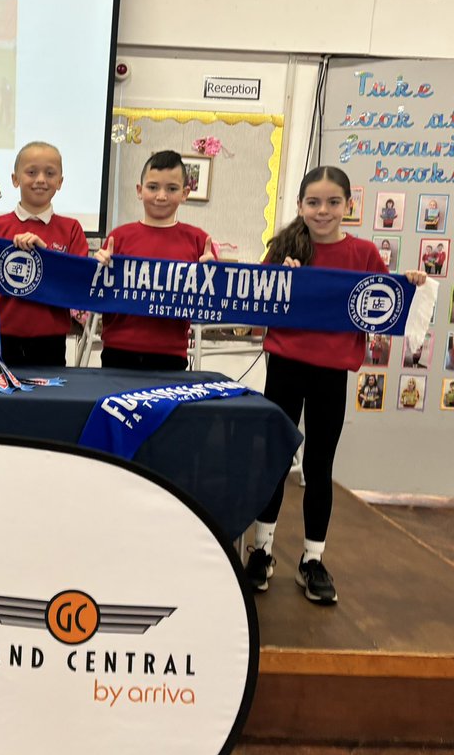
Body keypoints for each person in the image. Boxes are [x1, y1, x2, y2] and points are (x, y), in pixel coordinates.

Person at [243, 165, 427, 605]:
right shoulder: (284, 246)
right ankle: (262, 551)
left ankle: (312, 559)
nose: (322, 211)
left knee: (319, 466)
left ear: (348, 205)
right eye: (313, 202)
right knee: (274, 458)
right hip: (285, 366)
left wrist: (413, 284)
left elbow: (385, 302)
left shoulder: (363, 253)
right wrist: (281, 278)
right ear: (301, 205)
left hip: (332, 374)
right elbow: (256, 309)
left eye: (332, 202)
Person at [92, 149, 217, 370]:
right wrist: (96, 268)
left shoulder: (199, 241)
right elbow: (96, 292)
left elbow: (213, 300)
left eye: (171, 189)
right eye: (153, 187)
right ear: (140, 191)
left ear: (185, 193)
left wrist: (215, 275)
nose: (161, 196)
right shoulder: (118, 237)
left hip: (170, 354)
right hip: (118, 351)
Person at [0, 141, 89, 367]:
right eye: (32, 172)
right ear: (15, 179)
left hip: (50, 341)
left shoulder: (72, 229)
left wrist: (46, 257)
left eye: (50, 173)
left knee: (46, 402)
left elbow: (78, 286)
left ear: (60, 182)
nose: (41, 180)